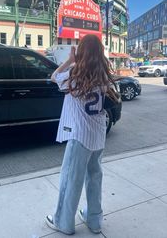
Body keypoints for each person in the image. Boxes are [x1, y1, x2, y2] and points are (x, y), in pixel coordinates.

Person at [45, 35, 116, 235]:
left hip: (80, 136)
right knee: (95, 176)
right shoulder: (103, 76)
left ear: (82, 52)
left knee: (71, 179)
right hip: (98, 134)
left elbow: (53, 76)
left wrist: (70, 60)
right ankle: (94, 220)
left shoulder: (75, 77)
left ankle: (63, 222)